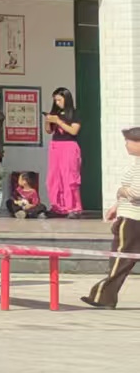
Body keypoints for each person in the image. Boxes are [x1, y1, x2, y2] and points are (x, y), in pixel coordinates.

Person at [84, 127, 140, 308]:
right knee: (123, 259)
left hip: (132, 220)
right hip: (130, 215)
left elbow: (136, 192)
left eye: (129, 141)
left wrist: (122, 191)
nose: (126, 145)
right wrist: (117, 206)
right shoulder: (136, 164)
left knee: (120, 259)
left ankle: (103, 296)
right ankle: (103, 296)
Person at [46, 87, 83, 216]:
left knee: (69, 177)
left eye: (59, 100)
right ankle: (57, 206)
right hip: (55, 146)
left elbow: (73, 131)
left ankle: (73, 207)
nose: (57, 103)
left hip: (69, 146)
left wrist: (59, 121)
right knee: (54, 177)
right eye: (55, 100)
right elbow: (49, 131)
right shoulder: (55, 112)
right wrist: (48, 121)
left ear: (66, 99)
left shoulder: (74, 113)